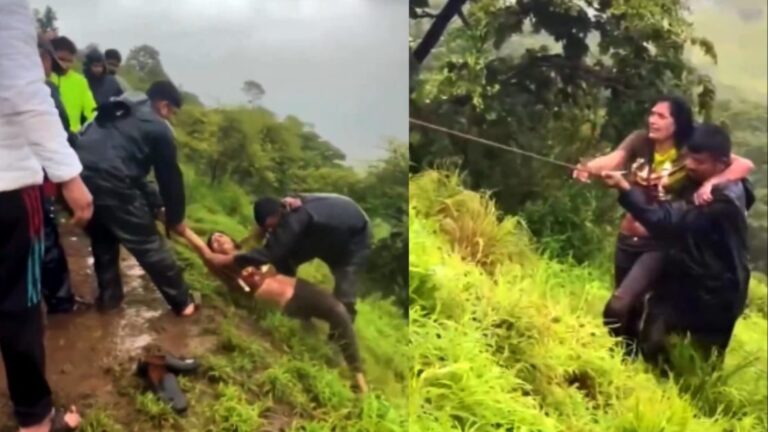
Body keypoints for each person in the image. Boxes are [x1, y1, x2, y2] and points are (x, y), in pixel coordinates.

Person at [572, 95, 754, 351]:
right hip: (627, 239)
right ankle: (626, 358)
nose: (652, 120)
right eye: (651, 114)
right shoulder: (640, 141)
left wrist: (713, 183)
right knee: (629, 310)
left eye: (661, 116)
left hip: (657, 241)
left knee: (618, 305)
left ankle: (638, 355)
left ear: (677, 123)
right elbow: (613, 159)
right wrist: (588, 167)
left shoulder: (690, 152)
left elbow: (743, 164)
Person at [1, 0, 93, 429]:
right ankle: (36, 419)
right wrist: (71, 176)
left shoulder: (77, 84)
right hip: (10, 183)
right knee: (19, 304)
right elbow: (24, 93)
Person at [74, 80, 197, 317]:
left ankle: (109, 302)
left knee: (103, 240)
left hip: (79, 178)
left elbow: (134, 171)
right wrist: (176, 217)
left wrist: (158, 205)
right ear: (163, 105)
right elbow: (169, 178)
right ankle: (184, 304)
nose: (171, 118)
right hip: (113, 183)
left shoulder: (120, 107)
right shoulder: (158, 128)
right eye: (172, 112)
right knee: (149, 244)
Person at [204, 231, 368, 392]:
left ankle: (358, 377)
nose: (217, 240)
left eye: (220, 235)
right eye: (213, 242)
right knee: (311, 346)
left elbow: (261, 230)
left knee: (338, 311)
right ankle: (339, 366)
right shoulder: (224, 269)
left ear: (231, 239)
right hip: (284, 307)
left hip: (298, 288)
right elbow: (200, 249)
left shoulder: (251, 252)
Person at [206, 193, 372, 322]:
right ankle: (295, 306)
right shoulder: (286, 206)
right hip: (321, 233)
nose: (274, 231)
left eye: (273, 227)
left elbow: (271, 252)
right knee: (286, 260)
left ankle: (340, 335)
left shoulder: (296, 217)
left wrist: (230, 260)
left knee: (345, 292)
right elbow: (275, 245)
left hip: (353, 238)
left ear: (279, 215)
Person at [37, 34, 79, 314]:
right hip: (28, 182)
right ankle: (61, 304)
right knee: (45, 239)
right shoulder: (43, 90)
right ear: (43, 60)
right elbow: (60, 132)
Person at [48, 36, 97, 133]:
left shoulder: (80, 81)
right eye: (61, 59)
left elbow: (92, 112)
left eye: (69, 61)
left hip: (74, 139)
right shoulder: (42, 77)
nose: (65, 65)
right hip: (48, 136)